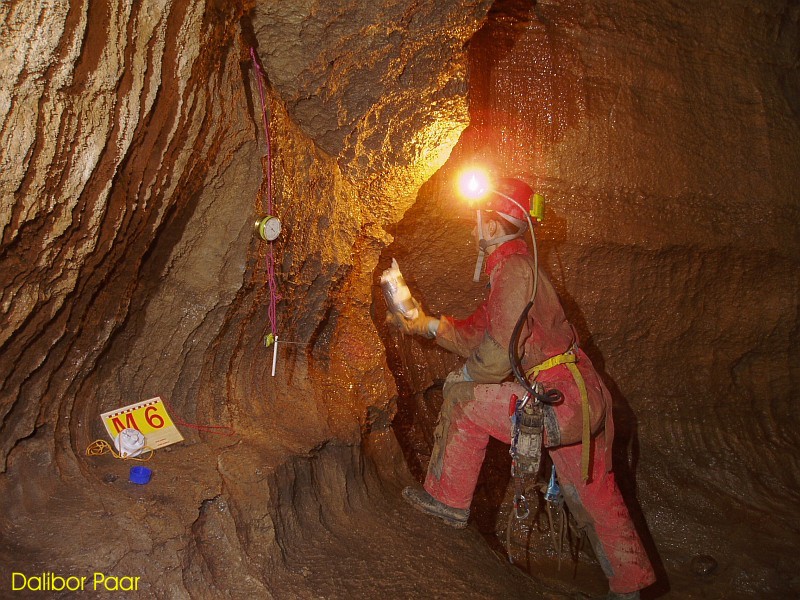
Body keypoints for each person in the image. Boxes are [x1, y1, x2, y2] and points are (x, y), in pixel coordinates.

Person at [388, 177, 655, 600]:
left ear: (493, 226)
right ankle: (629, 587)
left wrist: (466, 376)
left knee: (463, 399)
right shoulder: (517, 272)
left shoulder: (513, 271)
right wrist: (426, 324)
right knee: (595, 494)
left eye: (478, 221)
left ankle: (446, 501)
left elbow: (495, 355)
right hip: (582, 399)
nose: (474, 229)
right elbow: (478, 333)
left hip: (558, 398)